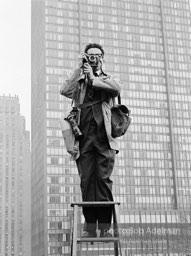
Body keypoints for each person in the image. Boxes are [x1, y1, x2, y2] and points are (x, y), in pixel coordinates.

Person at [60, 43, 121, 238]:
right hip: (83, 136)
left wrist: (94, 78)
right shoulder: (79, 81)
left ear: (102, 58)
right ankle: (90, 228)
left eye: (97, 55)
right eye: (90, 56)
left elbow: (117, 89)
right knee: (87, 181)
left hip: (104, 138)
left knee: (103, 180)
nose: (93, 58)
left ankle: (104, 228)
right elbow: (64, 90)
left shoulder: (108, 79)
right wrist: (79, 69)